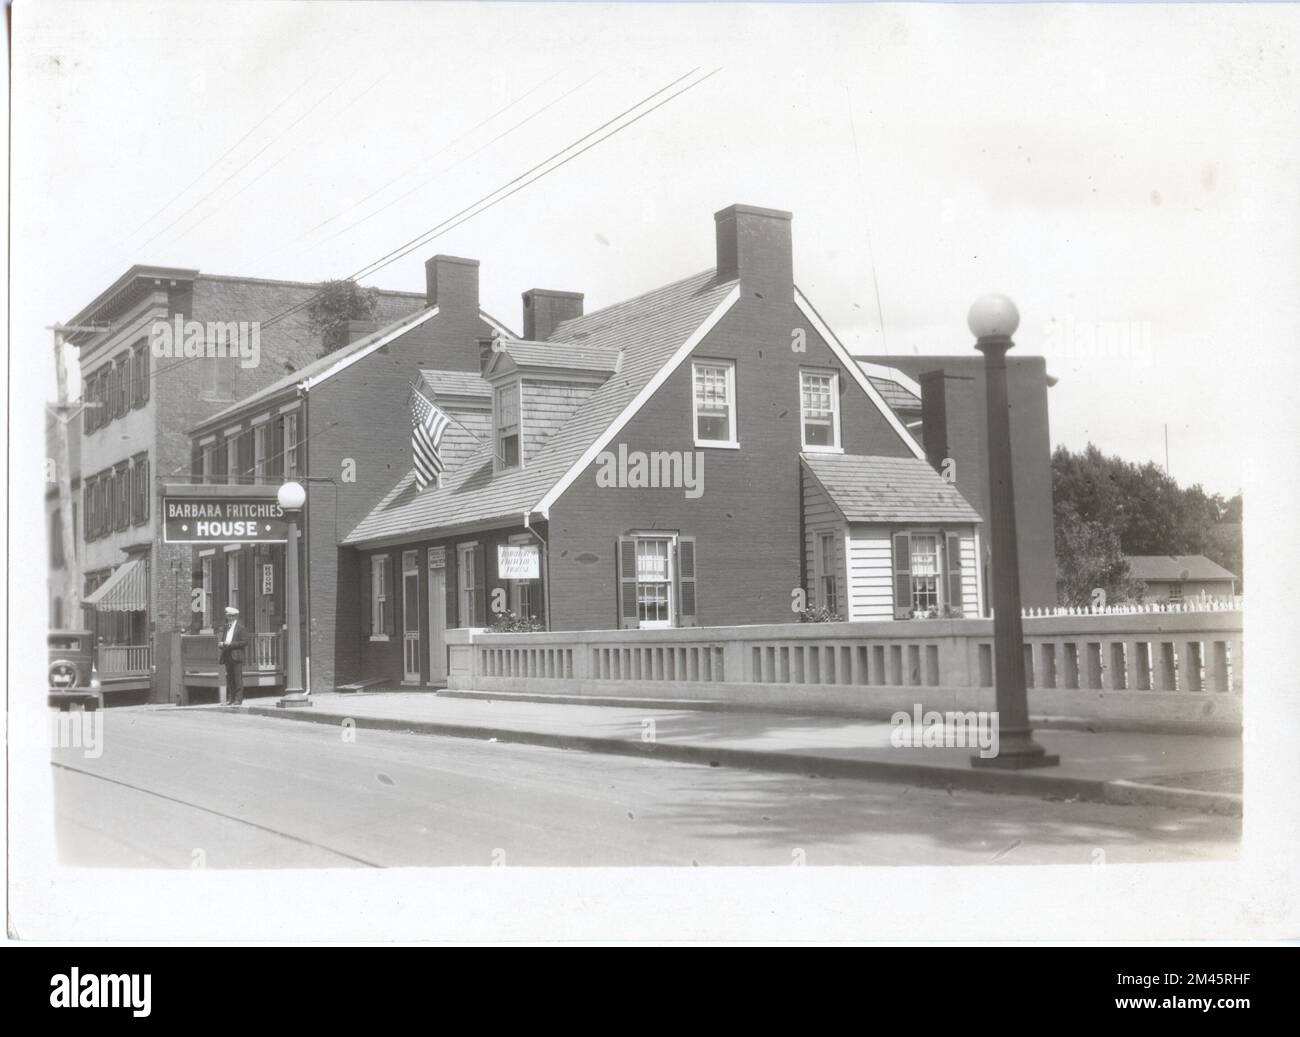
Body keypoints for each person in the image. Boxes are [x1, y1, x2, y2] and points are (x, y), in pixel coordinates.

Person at [217, 605, 247, 705]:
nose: (228, 618)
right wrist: (222, 644)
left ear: (235, 617)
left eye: (230, 616)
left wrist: (231, 644)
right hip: (227, 654)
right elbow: (224, 639)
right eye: (228, 616)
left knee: (237, 678)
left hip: (236, 655)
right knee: (230, 678)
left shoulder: (240, 628)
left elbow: (244, 642)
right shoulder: (226, 627)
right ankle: (231, 698)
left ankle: (238, 699)